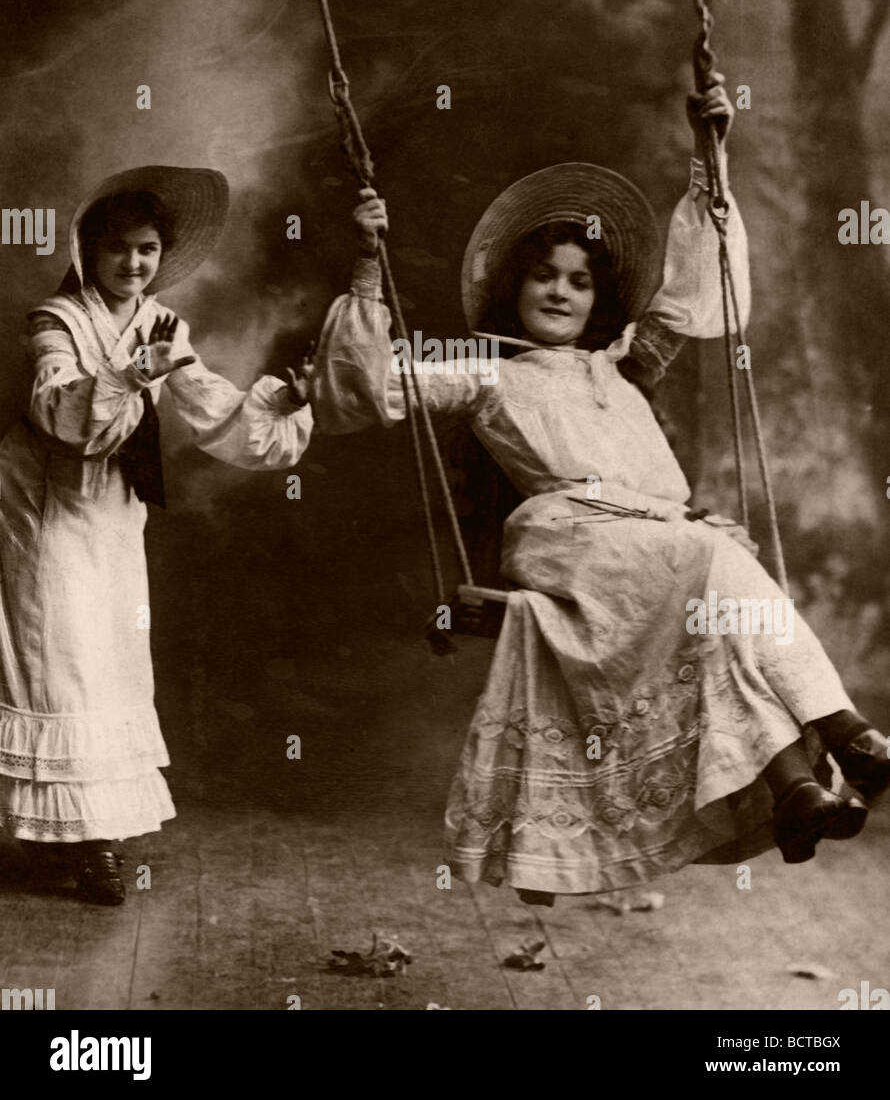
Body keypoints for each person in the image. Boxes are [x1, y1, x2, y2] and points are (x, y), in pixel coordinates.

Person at [309, 90, 890, 901]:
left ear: (596, 296)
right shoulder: (486, 374)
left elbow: (699, 292)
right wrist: (369, 264)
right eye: (543, 276)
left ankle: (797, 788)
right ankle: (850, 734)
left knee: (720, 619)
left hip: (659, 541)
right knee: (710, 556)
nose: (560, 291)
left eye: (579, 281)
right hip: (569, 536)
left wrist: (707, 149)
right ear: (515, 288)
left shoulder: (622, 363)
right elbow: (365, 390)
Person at [0, 166, 313, 905]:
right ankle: (89, 845)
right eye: (118, 250)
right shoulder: (55, 320)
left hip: (111, 512)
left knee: (107, 661)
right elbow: (62, 415)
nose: (133, 265)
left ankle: (76, 833)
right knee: (59, 663)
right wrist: (132, 371)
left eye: (146, 250)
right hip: (45, 507)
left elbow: (208, 409)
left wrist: (282, 402)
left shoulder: (159, 322)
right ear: (86, 251)